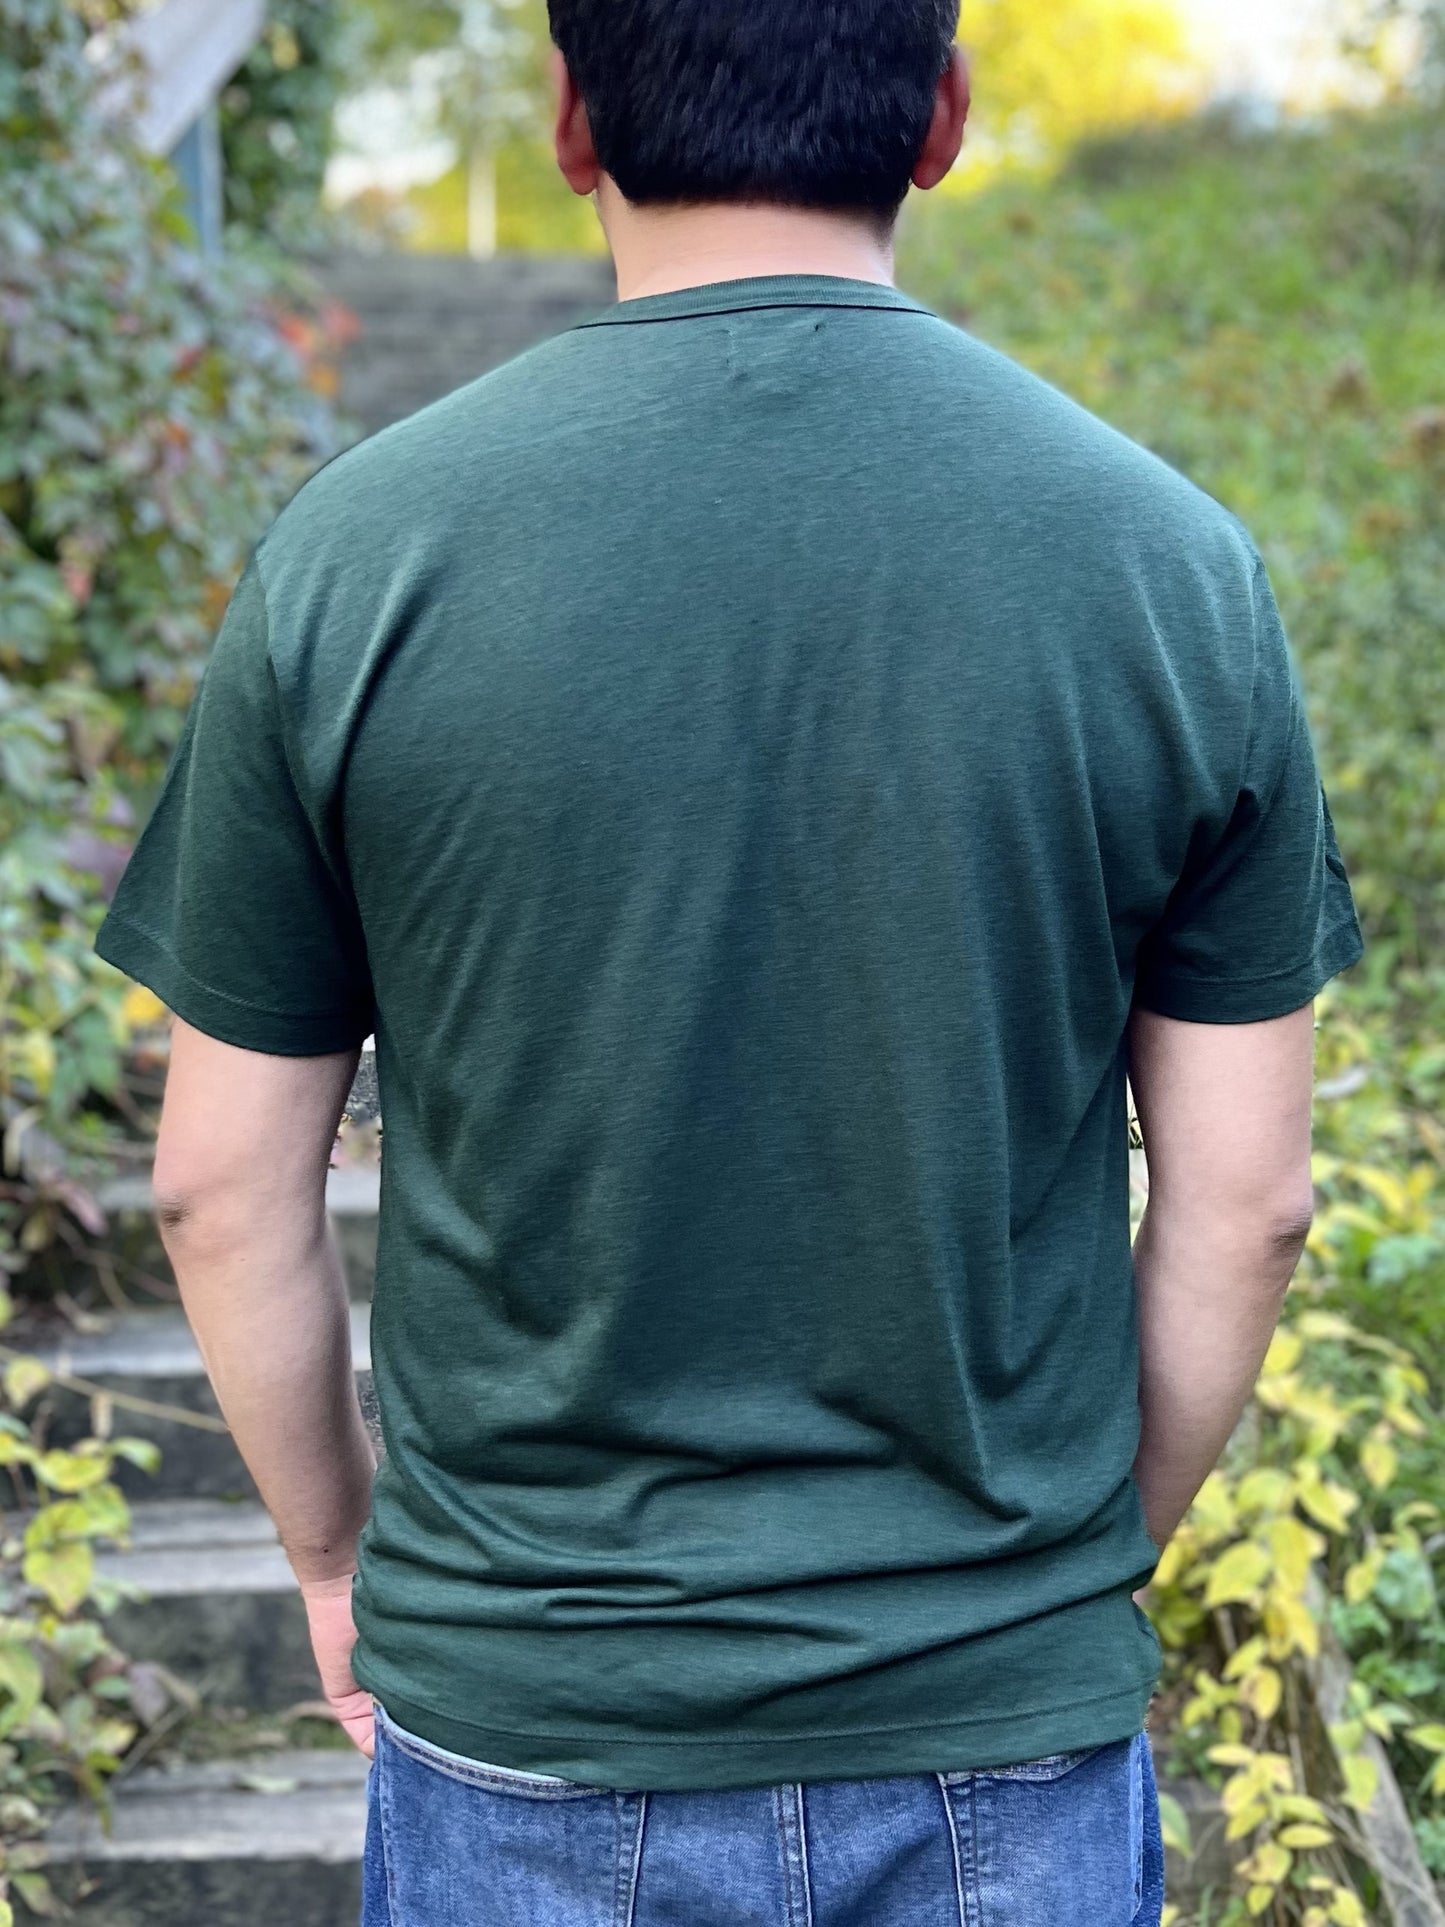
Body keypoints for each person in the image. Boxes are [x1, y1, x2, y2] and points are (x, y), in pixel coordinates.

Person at [94, 2, 1365, 1921]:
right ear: (941, 117)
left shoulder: (357, 558)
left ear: (569, 118)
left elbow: (210, 1182)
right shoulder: (1166, 567)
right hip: (994, 1720)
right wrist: (1063, 1571)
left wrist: (346, 1565)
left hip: (525, 1713)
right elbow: (1246, 1199)